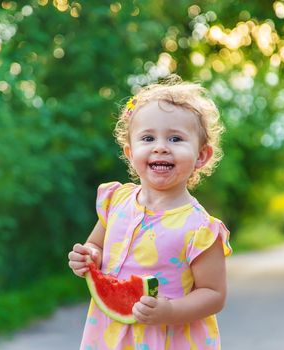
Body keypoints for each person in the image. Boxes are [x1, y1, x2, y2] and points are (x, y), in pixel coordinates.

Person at [68, 75, 232, 349]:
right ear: (131, 152)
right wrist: (88, 257)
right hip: (110, 333)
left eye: (175, 138)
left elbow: (214, 294)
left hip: (166, 336)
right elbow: (96, 245)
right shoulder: (116, 201)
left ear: (201, 156)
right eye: (148, 137)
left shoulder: (201, 228)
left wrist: (170, 312)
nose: (160, 146)